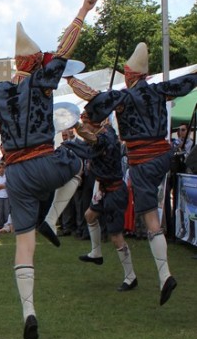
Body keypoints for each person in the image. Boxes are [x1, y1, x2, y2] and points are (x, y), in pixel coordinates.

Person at [0, 0, 99, 339]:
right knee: (77, 155)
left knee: (24, 246)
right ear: (37, 62)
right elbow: (65, 49)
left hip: (16, 174)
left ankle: (29, 311)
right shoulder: (43, 80)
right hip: (44, 161)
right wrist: (83, 8)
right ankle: (51, 220)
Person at [73, 42, 197, 304]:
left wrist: (69, 78)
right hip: (163, 158)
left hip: (142, 161)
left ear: (130, 75)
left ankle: (165, 275)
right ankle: (159, 272)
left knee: (151, 220)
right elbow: (186, 83)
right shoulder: (159, 90)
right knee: (153, 213)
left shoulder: (124, 97)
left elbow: (93, 99)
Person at [66, 108, 138, 292]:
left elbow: (88, 146)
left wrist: (72, 132)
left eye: (86, 122)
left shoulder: (106, 139)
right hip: (104, 189)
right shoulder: (105, 133)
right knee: (90, 216)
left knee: (116, 237)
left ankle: (130, 277)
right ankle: (96, 253)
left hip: (114, 191)